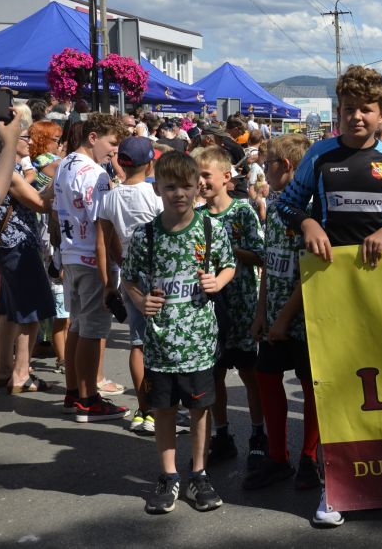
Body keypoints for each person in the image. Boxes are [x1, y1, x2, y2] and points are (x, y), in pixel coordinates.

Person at [276, 64, 382, 526]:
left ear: (381, 113)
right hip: (329, 289)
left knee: (377, 386)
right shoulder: (320, 154)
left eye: (366, 109)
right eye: (348, 109)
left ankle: (376, 479)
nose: (356, 117)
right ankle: (335, 486)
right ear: (337, 111)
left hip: (379, 288)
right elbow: (286, 204)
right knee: (335, 389)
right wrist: (308, 222)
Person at [122, 151, 236, 514]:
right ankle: (169, 475)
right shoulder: (145, 235)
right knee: (165, 411)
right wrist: (140, 301)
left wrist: (218, 281)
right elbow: (129, 278)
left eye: (186, 186)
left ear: (197, 187)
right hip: (159, 345)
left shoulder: (210, 228)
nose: (179, 194)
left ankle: (199, 473)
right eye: (170, 187)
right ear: (157, 188)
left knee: (200, 411)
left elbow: (229, 264)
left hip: (199, 343)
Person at [248, 133, 322, 492]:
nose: (264, 170)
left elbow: (313, 271)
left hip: (305, 318)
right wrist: (262, 311)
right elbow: (270, 262)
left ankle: (310, 458)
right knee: (267, 376)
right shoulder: (276, 204)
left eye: (268, 164)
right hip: (275, 313)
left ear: (286, 166)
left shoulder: (311, 210)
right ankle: (278, 457)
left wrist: (284, 318)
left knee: (311, 386)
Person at [193, 145, 267, 471]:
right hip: (211, 309)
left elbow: (259, 254)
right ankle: (222, 434)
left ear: (226, 177)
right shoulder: (196, 217)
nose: (200, 182)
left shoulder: (242, 212)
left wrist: (226, 251)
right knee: (215, 374)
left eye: (205, 175)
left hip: (242, 305)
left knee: (250, 373)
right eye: (196, 176)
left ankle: (258, 434)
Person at [53, 113, 130, 421]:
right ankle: (88, 399)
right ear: (93, 137)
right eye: (112, 144)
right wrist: (116, 264)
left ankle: (74, 393)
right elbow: (104, 227)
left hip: (71, 254)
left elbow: (55, 210)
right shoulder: (94, 173)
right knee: (92, 330)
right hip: (91, 259)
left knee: (78, 326)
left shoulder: (65, 164)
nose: (114, 151)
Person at [0, 112, 56, 393]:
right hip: (18, 245)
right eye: (25, 136)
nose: (30, 141)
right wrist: (57, 183)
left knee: (8, 308)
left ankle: (4, 368)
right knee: (31, 309)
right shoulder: (8, 172)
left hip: (5, 245)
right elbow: (41, 204)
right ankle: (21, 373)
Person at [98, 137, 164, 433]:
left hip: (129, 272)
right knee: (164, 340)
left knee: (138, 342)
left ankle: (145, 409)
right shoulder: (154, 195)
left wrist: (109, 282)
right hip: (160, 272)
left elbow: (104, 242)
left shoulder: (109, 198)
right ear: (149, 164)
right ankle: (164, 409)